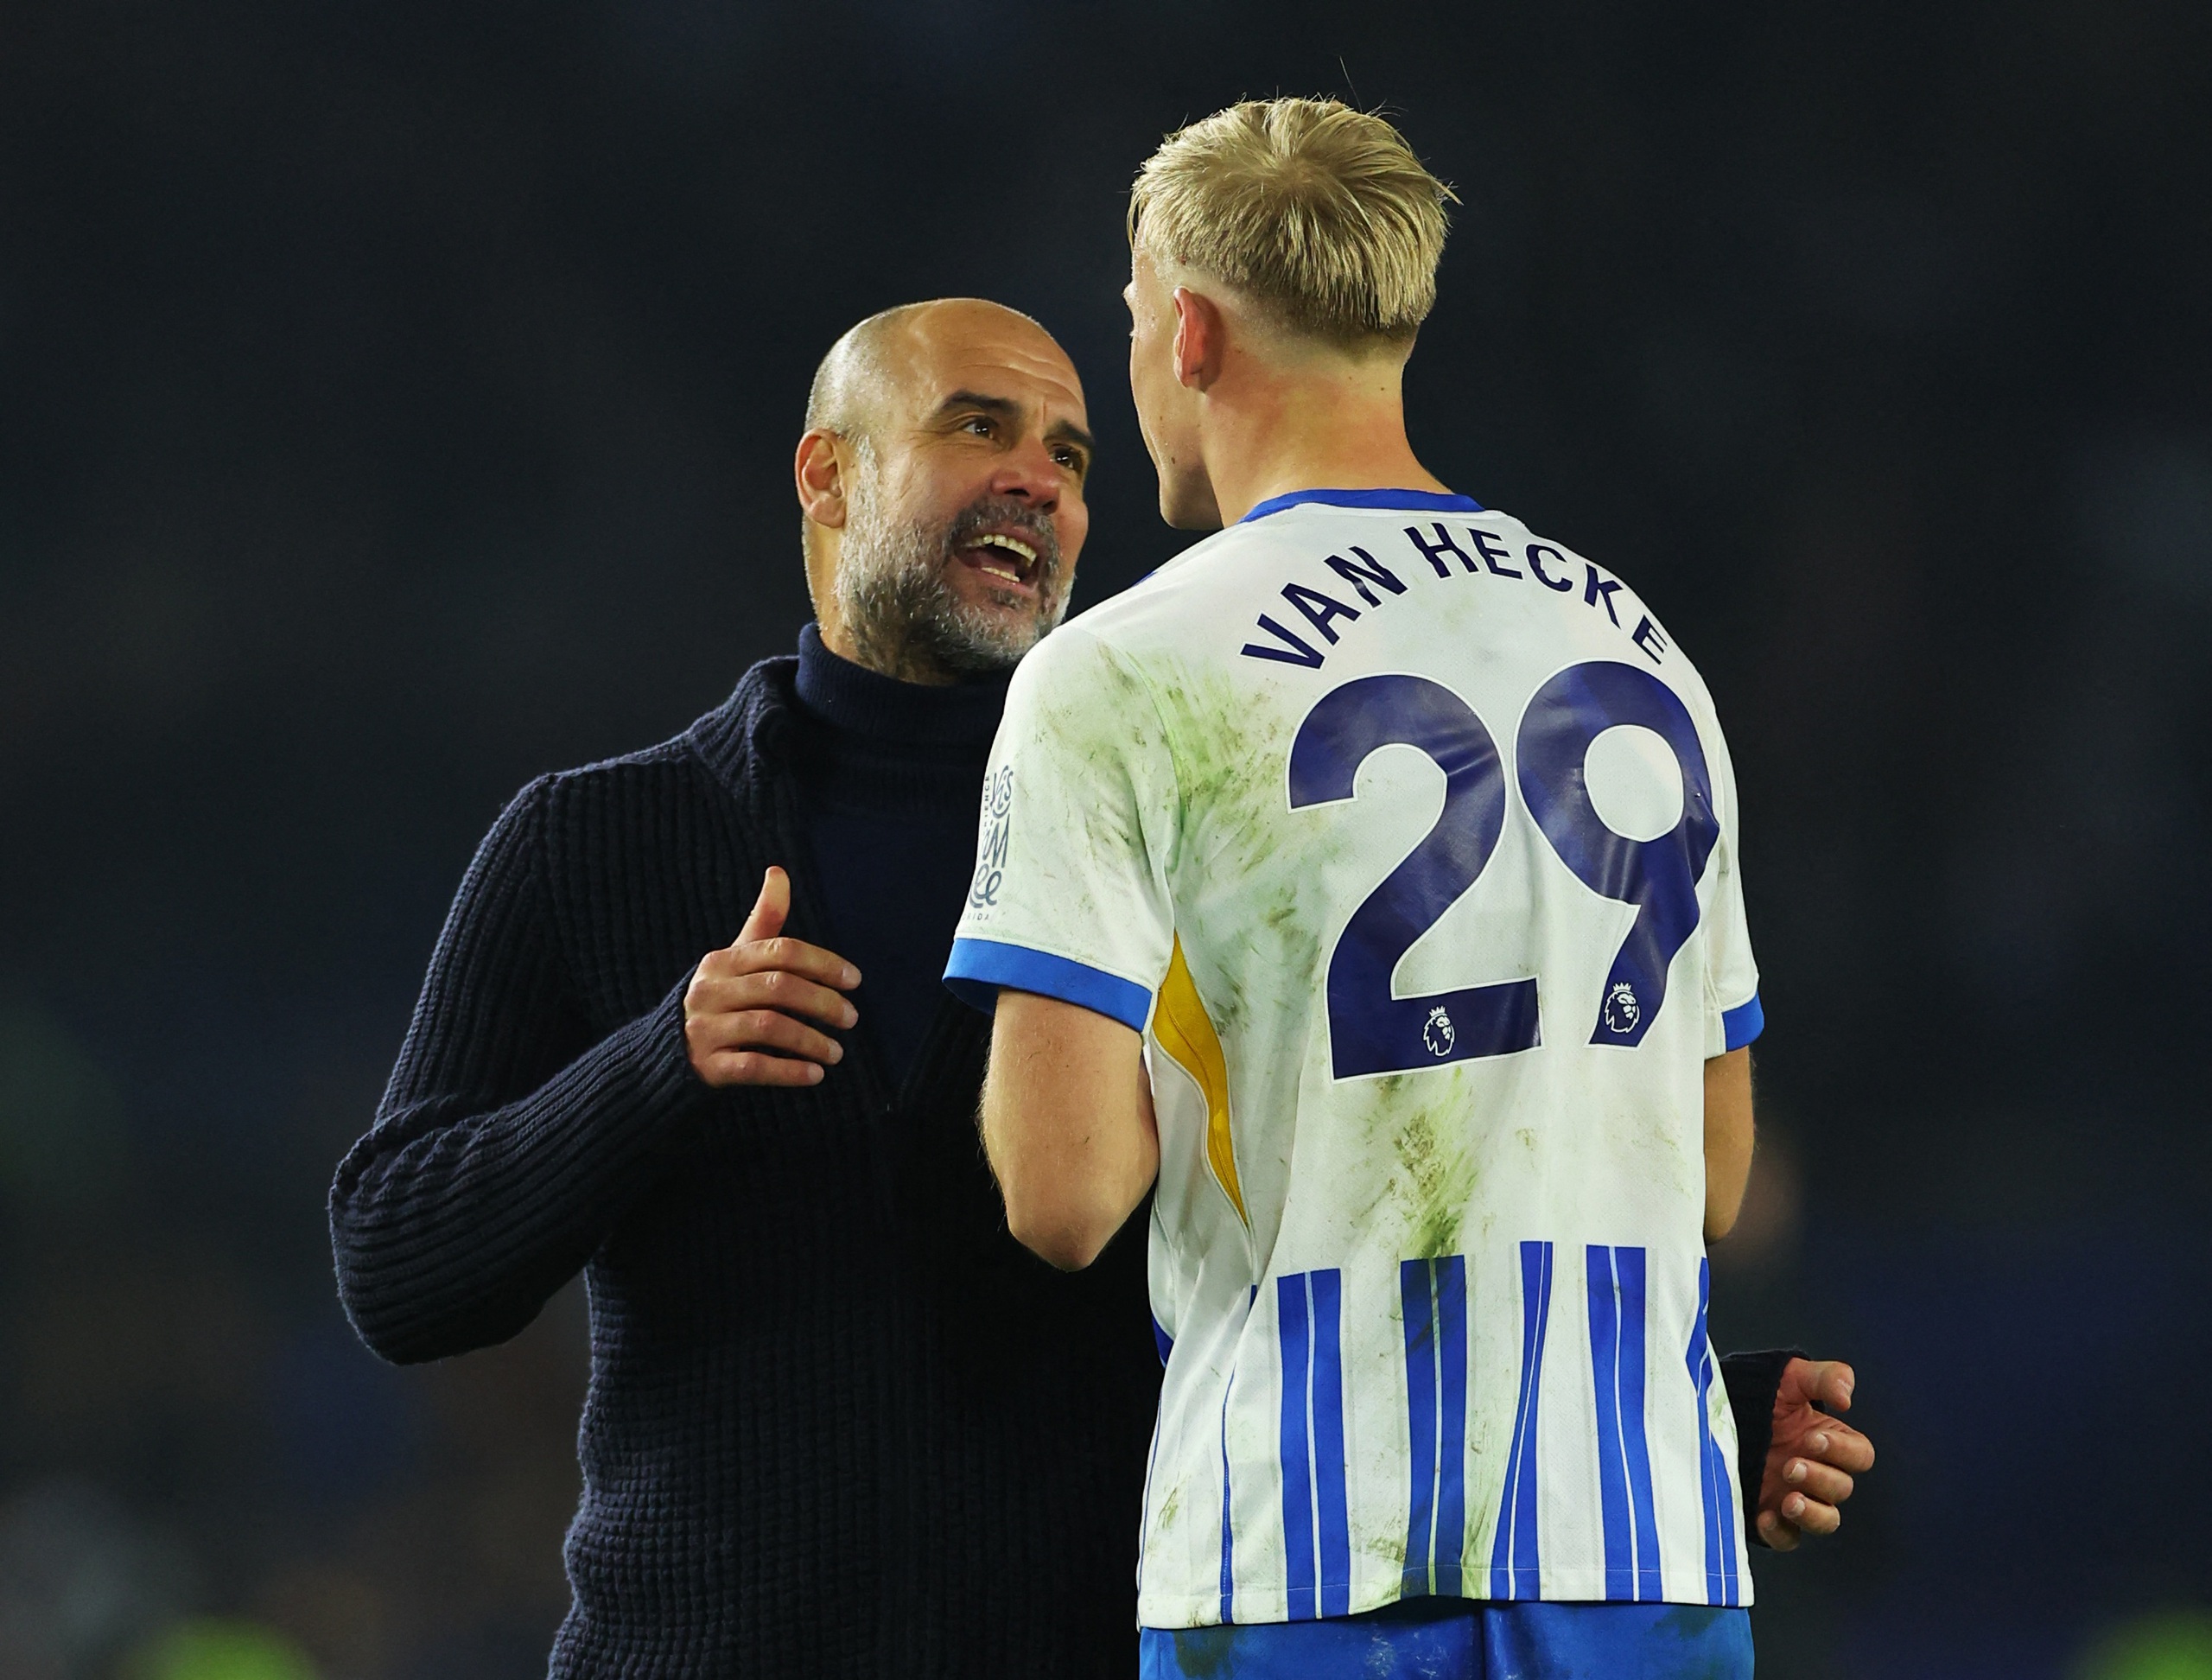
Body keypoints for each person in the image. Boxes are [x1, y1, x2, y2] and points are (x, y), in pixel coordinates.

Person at [331, 295, 1863, 1676]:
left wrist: (1674, 1430)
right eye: (975, 427)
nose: (1041, 480)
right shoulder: (602, 840)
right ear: (827, 477)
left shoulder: (1192, 805)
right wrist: (659, 1062)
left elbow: (1385, 1209)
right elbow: (397, 1265)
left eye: (1070, 451)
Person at [954, 100, 1866, 1679]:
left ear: (1186, 327)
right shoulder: (1638, 645)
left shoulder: (1116, 676)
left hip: (1303, 1555)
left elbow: (1062, 1197)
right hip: (1645, 1545)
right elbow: (1712, 1180)